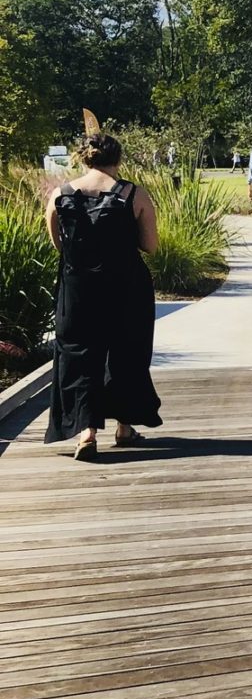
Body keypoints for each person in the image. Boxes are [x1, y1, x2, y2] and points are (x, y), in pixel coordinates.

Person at [42, 132, 162, 461]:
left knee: (79, 353)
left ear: (83, 158)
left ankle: (86, 432)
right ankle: (124, 427)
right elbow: (150, 245)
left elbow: (59, 244)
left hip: (78, 286)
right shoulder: (133, 194)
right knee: (126, 350)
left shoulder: (60, 195)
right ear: (118, 159)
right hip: (125, 285)